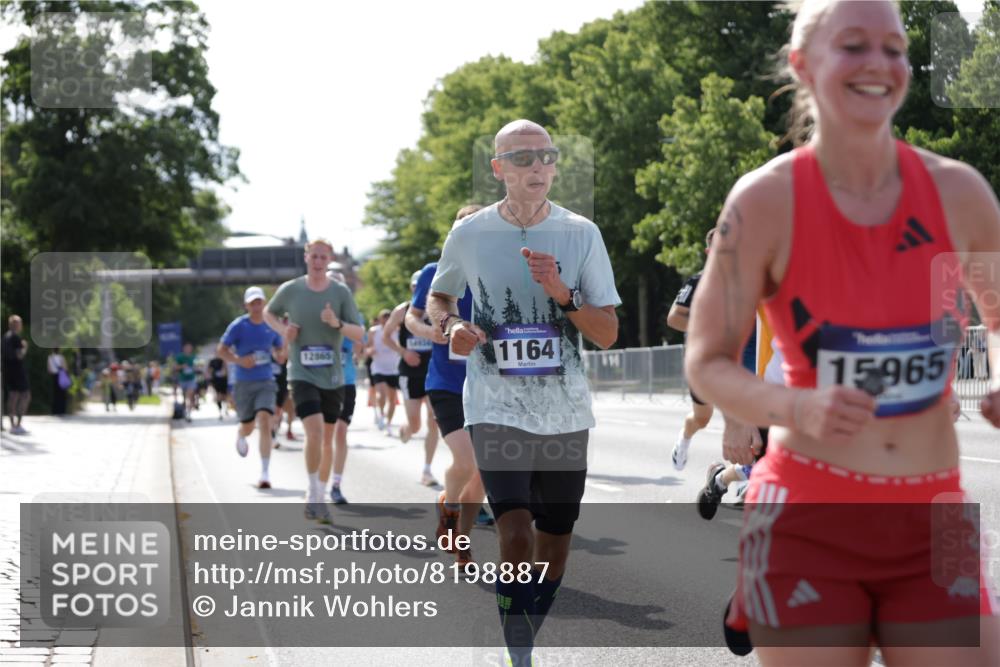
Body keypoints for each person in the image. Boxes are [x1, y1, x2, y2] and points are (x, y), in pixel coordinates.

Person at [684, 2, 1000, 664]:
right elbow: (708, 360)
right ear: (802, 65)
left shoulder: (960, 194)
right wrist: (794, 405)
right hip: (810, 513)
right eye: (854, 45)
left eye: (895, 48)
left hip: (935, 513)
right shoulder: (765, 200)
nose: (880, 64)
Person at [427, 119, 621, 667]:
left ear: (557, 165)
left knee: (554, 545)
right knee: (514, 533)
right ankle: (520, 653)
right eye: (522, 158)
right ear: (499, 169)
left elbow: (606, 333)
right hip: (494, 407)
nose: (537, 167)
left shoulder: (582, 233)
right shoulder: (469, 234)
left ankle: (526, 620)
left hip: (564, 412)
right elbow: (439, 299)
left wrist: (562, 293)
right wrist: (449, 328)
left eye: (546, 156)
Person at [408, 204, 494, 571]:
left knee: (483, 469)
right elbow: (412, 317)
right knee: (468, 459)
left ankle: (456, 521)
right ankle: (454, 514)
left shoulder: (497, 273)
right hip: (446, 382)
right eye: (462, 227)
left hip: (490, 383)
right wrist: (433, 332)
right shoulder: (434, 273)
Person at [264, 238, 364, 524]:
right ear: (306, 257)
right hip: (301, 372)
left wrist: (337, 324)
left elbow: (359, 333)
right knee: (315, 433)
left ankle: (319, 491)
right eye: (314, 256)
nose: (318, 261)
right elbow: (269, 313)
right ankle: (314, 492)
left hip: (332, 376)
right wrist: (284, 329)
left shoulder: (340, 292)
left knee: (328, 439)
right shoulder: (291, 290)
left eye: (323, 257)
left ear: (329, 259)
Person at [218, 286, 286, 489]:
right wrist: (239, 360)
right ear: (246, 305)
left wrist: (281, 353)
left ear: (264, 303)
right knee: (248, 426)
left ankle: (265, 473)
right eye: (252, 303)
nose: (257, 306)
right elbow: (221, 350)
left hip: (266, 380)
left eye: (260, 302)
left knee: (265, 419)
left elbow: (280, 350)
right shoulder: (239, 326)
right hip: (243, 383)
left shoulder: (271, 326)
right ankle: (241, 434)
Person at [383, 270, 440, 486]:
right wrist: (403, 352)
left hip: (433, 372)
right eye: (416, 287)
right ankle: (406, 430)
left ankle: (427, 470)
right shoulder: (403, 310)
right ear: (412, 288)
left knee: (434, 421)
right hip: (410, 373)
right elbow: (386, 336)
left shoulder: (439, 308)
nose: (420, 290)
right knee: (415, 425)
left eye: (423, 286)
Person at [667, 228, 717, 470]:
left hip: (737, 360)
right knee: (702, 418)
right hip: (703, 362)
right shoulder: (698, 281)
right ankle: (684, 439)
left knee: (745, 418)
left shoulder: (747, 280)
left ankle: (745, 480)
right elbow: (674, 318)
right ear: (709, 251)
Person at [323, 271, 364, 504]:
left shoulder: (352, 314)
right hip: (318, 381)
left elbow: (359, 345)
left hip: (345, 382)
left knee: (339, 431)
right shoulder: (313, 313)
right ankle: (318, 482)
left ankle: (336, 484)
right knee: (321, 436)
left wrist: (355, 345)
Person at [367, 309, 401, 435]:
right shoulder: (373, 331)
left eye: (389, 317)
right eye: (384, 317)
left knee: (392, 399)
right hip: (378, 367)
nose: (386, 319)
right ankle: (381, 415)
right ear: (380, 319)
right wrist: (370, 351)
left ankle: (388, 423)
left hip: (393, 368)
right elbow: (368, 346)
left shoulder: (397, 331)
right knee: (381, 394)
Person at [2, 315, 31, 434]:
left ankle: (12, 424)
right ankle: (17, 425)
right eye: (19, 324)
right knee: (25, 395)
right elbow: (20, 355)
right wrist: (25, 347)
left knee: (12, 396)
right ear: (16, 325)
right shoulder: (16, 338)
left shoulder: (5, 337)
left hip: (7, 370)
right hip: (18, 371)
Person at [174, 342, 198, 422]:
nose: (188, 349)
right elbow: (175, 367)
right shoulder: (180, 357)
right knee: (184, 397)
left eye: (189, 348)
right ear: (184, 349)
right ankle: (184, 410)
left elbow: (199, 366)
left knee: (190, 394)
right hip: (182, 379)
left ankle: (189, 413)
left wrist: (196, 367)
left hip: (191, 379)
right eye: (187, 348)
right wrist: (182, 366)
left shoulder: (194, 357)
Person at [207, 353, 229, 420]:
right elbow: (209, 370)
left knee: (224, 396)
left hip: (224, 380)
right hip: (216, 381)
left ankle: (225, 408)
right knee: (218, 395)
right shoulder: (212, 361)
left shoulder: (223, 360)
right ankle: (220, 411)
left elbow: (226, 370)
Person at [47, 348, 68, 415]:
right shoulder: (61, 357)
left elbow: (49, 370)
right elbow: (65, 368)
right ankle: (62, 410)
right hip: (61, 376)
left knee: (55, 394)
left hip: (54, 376)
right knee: (62, 394)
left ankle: (55, 411)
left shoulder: (50, 357)